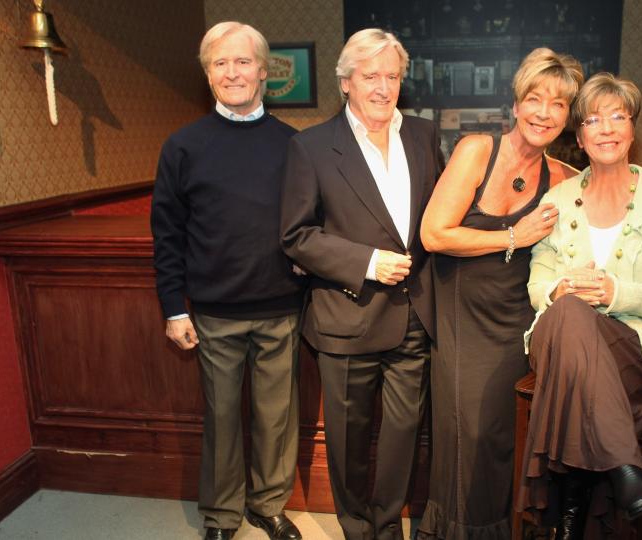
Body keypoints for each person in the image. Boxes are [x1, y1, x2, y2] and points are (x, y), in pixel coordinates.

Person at [417, 50, 642, 539]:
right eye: (535, 99)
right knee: (475, 427)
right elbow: (436, 236)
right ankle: (613, 476)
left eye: (559, 105)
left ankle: (561, 512)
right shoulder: (492, 159)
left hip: (561, 328)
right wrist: (522, 246)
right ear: (518, 103)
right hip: (477, 312)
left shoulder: (577, 183)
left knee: (518, 418)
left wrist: (612, 286)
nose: (544, 112)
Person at [279, 29, 443, 540]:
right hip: (346, 318)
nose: (383, 87)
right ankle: (356, 527)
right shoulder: (310, 147)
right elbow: (296, 236)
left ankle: (387, 525)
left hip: (415, 315)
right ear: (346, 82)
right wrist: (369, 262)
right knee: (349, 442)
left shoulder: (422, 135)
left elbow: (450, 211)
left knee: (401, 437)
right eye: (371, 76)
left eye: (392, 76)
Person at [517, 72, 642, 540]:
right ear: (580, 136)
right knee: (571, 313)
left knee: (573, 365)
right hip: (559, 337)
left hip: (634, 346)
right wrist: (561, 290)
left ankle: (568, 509)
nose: (607, 128)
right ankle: (624, 465)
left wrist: (614, 293)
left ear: (634, 128)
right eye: (594, 119)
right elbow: (537, 284)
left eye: (619, 117)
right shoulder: (558, 200)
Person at [150, 22, 304, 540]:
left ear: (264, 71)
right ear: (208, 74)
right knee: (221, 422)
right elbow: (166, 234)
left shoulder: (294, 145)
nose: (232, 72)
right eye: (220, 63)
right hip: (213, 313)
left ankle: (268, 504)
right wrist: (174, 308)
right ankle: (220, 515)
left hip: (282, 308)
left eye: (243, 62)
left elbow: (312, 226)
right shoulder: (182, 146)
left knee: (276, 419)